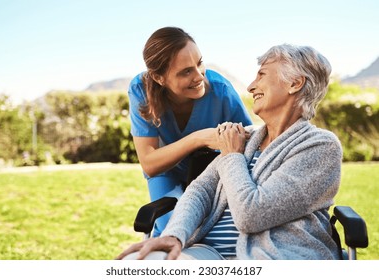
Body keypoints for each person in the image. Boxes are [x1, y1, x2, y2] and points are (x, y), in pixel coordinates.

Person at [117, 44, 343, 260]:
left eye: (261, 75)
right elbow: (200, 191)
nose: (250, 86)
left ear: (295, 83)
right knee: (140, 263)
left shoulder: (319, 146)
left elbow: (252, 215)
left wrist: (233, 156)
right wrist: (174, 235)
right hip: (207, 252)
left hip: (275, 255)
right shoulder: (247, 138)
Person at [128, 26, 252, 237]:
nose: (199, 76)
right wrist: (197, 138)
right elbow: (149, 164)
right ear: (159, 78)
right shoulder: (141, 90)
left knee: (207, 232)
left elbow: (251, 144)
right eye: (186, 71)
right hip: (166, 171)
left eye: (199, 63)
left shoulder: (221, 90)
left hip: (212, 171)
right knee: (171, 231)